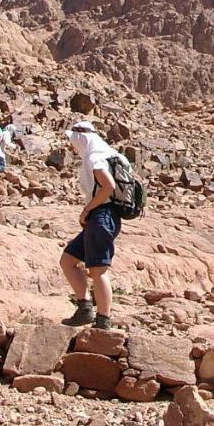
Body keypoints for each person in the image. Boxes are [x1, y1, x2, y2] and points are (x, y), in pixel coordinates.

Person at [59, 121, 122, 330]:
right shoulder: (112, 153)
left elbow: (109, 186)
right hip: (106, 216)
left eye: (73, 140)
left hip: (101, 216)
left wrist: (87, 210)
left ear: (81, 137)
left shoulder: (95, 157)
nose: (72, 145)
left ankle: (103, 320)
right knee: (68, 259)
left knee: (98, 270)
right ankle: (85, 308)